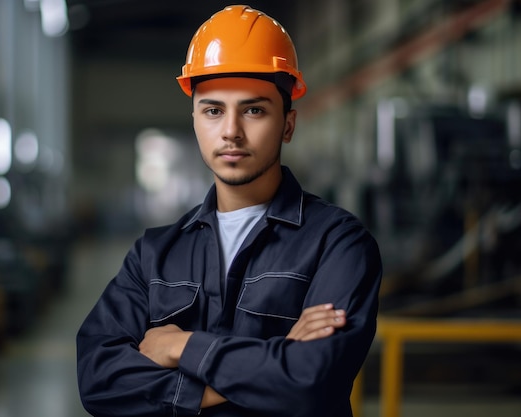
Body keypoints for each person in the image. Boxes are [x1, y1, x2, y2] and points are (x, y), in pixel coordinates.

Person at [76, 5, 382, 417]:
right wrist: (270, 362)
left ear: (288, 124)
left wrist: (179, 346)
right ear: (196, 120)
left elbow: (313, 381)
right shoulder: (154, 255)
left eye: (254, 110)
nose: (231, 131)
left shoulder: (338, 244)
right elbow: (98, 378)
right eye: (213, 110)